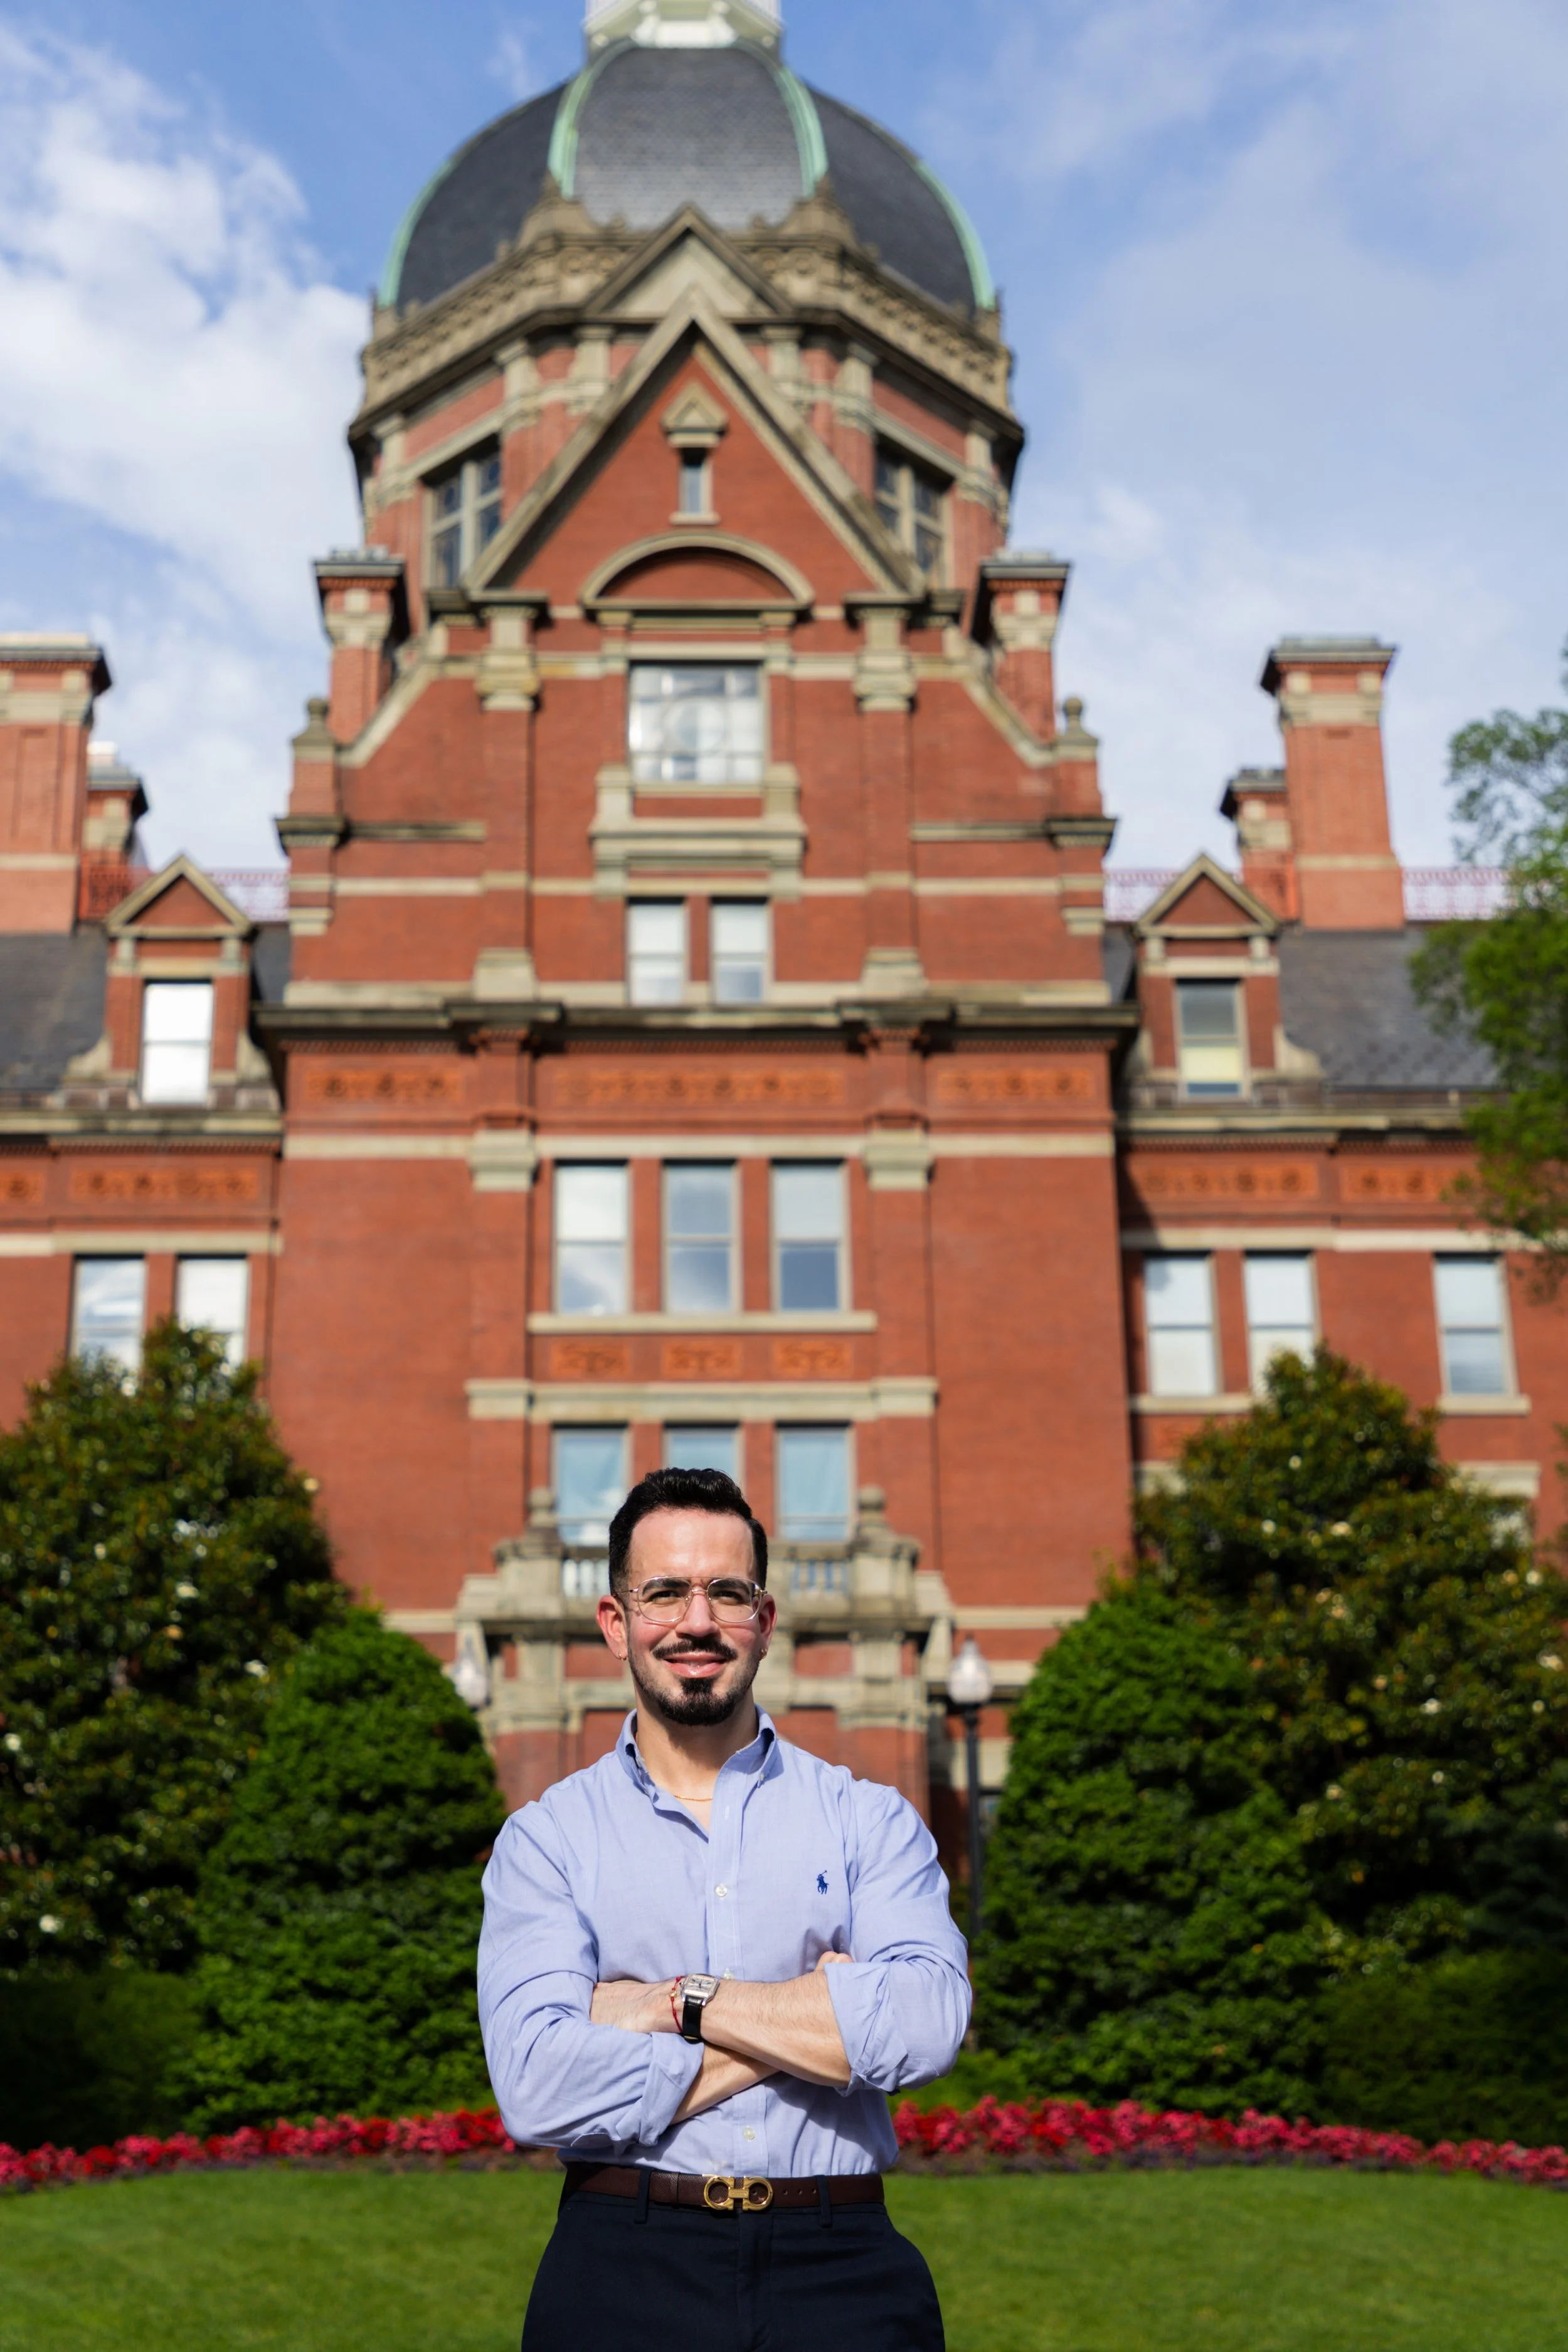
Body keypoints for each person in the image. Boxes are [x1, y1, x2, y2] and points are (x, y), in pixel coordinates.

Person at [479, 1464, 970, 2352]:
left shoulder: (868, 1819)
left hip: (844, 2269)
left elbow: (927, 2024)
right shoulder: (547, 1840)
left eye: (726, 1592)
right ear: (616, 1620)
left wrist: (671, 2002)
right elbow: (536, 2086)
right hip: (620, 2269)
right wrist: (817, 2023)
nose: (696, 1621)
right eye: (664, 1591)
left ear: (765, 1619)